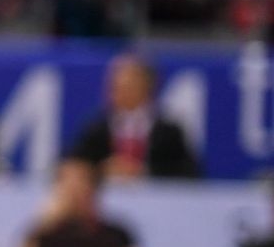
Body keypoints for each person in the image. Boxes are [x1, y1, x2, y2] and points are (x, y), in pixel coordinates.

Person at [68, 53, 200, 180]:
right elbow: (72, 164)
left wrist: (145, 172)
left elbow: (190, 173)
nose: (117, 92)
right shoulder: (96, 129)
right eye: (115, 86)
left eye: (128, 86)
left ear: (147, 87)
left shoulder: (169, 132)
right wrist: (100, 170)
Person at [16, 158, 142, 247]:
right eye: (66, 185)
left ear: (93, 189)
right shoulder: (43, 236)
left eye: (80, 183)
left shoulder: (117, 236)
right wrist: (43, 225)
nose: (74, 193)